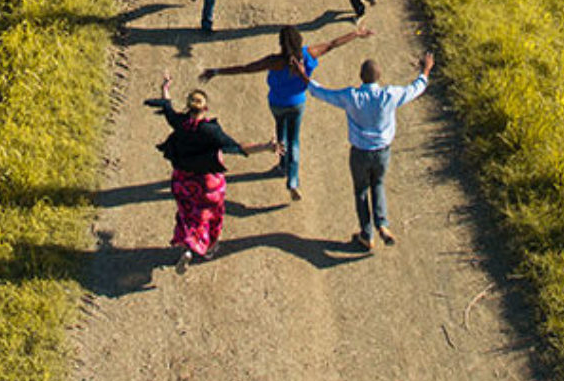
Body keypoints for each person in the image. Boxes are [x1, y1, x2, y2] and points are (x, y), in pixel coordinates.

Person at [200, 24, 373, 201]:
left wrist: (216, 71)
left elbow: (246, 68)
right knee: (294, 141)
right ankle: (293, 181)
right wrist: (356, 34)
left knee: (281, 135)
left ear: (282, 43)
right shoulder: (307, 55)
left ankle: (282, 165)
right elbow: (332, 44)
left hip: (277, 103)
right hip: (297, 103)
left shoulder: (275, 61)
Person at [147, 73, 276, 273]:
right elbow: (238, 147)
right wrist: (266, 147)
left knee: (188, 215)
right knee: (210, 215)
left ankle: (189, 246)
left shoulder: (180, 123)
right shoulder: (211, 132)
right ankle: (203, 246)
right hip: (208, 184)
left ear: (188, 107)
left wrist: (165, 86)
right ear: (205, 109)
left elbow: (167, 107)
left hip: (182, 180)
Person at [306, 51, 434, 251]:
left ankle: (367, 234)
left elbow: (323, 93)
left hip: (360, 152)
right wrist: (425, 69)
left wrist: (304, 77)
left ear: (360, 76)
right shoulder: (390, 95)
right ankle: (382, 224)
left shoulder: (351, 96)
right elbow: (415, 89)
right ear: (379, 77)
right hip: (382, 152)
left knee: (361, 191)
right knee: (378, 184)